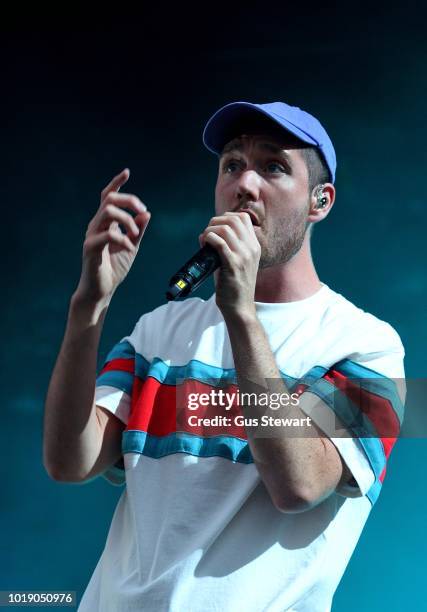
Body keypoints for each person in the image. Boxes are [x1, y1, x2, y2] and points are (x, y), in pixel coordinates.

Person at [43, 101, 406, 612]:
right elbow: (68, 461)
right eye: (232, 165)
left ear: (319, 202)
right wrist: (88, 308)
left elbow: (299, 484)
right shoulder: (159, 330)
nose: (245, 184)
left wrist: (240, 314)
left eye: (273, 166)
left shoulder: (366, 345)